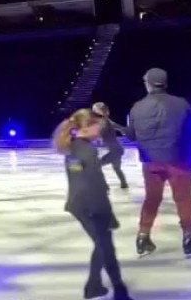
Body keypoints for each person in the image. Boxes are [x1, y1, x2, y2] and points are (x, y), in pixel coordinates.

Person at [125, 67, 191, 258]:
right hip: (179, 160)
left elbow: (132, 136)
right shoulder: (181, 104)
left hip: (151, 162)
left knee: (151, 199)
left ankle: (143, 236)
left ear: (148, 84)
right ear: (165, 83)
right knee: (183, 199)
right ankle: (189, 238)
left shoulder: (137, 107)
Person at [55, 109, 133, 300]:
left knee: (102, 245)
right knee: (106, 248)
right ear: (87, 127)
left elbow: (81, 175)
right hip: (91, 205)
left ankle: (93, 286)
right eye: (97, 126)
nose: (100, 130)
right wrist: (105, 213)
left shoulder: (74, 146)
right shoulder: (87, 149)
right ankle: (119, 291)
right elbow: (93, 183)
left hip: (78, 204)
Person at [92, 102, 128, 189]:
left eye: (95, 110)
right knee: (116, 168)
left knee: (96, 166)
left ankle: (105, 185)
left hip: (114, 151)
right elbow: (117, 127)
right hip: (117, 150)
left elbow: (101, 132)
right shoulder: (105, 120)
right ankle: (124, 184)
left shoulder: (103, 121)